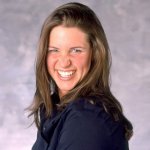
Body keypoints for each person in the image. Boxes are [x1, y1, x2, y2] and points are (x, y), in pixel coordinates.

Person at [28, 2, 133, 150]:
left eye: (76, 50)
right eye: (54, 50)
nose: (64, 62)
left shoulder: (87, 119)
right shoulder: (56, 109)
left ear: (94, 54)